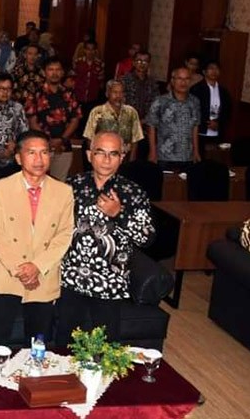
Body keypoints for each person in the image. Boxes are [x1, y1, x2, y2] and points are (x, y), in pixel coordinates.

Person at [56, 131, 154, 345]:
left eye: (113, 154)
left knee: (104, 350)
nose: (107, 160)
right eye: (100, 152)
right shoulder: (71, 186)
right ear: (89, 155)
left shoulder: (133, 193)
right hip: (71, 279)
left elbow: (146, 239)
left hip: (109, 283)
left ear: (122, 157)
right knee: (64, 346)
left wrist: (119, 214)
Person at [0, 129, 74, 349]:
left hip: (43, 276)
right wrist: (22, 270)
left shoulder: (63, 191)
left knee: (37, 344)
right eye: (31, 152)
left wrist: (37, 267)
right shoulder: (2, 187)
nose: (39, 159)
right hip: (7, 275)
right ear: (18, 157)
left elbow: (64, 235)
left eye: (44, 152)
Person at [26, 58, 82, 181]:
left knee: (59, 184)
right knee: (37, 182)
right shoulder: (35, 93)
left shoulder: (70, 94)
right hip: (40, 147)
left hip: (64, 147)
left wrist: (61, 140)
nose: (54, 73)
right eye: (51, 69)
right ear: (44, 72)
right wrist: (48, 141)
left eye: (57, 70)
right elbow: (32, 121)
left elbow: (75, 120)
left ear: (62, 72)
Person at [147, 67, 202, 169]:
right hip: (164, 156)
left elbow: (195, 127)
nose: (183, 82)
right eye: (180, 78)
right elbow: (151, 126)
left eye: (187, 79)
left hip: (187, 156)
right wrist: (152, 151)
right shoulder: (160, 101)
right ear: (172, 81)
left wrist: (196, 151)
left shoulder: (195, 102)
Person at [82, 80, 144, 160]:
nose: (118, 96)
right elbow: (89, 137)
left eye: (121, 92)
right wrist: (95, 158)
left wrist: (131, 160)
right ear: (107, 94)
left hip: (125, 157)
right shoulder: (97, 112)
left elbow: (135, 138)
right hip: (103, 156)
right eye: (115, 92)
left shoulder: (131, 112)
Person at [190, 60, 231, 148]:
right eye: (211, 68)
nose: (214, 71)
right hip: (199, 133)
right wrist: (207, 123)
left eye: (216, 68)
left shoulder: (224, 92)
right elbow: (192, 111)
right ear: (204, 71)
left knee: (215, 154)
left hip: (217, 133)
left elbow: (227, 112)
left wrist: (218, 123)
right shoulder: (196, 89)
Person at [120, 49, 159, 133]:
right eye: (139, 61)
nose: (142, 64)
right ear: (133, 63)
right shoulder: (124, 80)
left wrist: (144, 120)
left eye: (145, 61)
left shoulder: (152, 83)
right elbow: (119, 102)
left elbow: (156, 104)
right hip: (126, 123)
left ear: (149, 64)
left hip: (146, 124)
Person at [73, 40, 105, 106]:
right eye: (88, 49)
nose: (90, 52)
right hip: (79, 97)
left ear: (95, 50)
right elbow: (73, 79)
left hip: (93, 98)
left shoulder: (99, 64)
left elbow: (101, 83)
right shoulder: (78, 62)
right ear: (84, 50)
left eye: (92, 49)